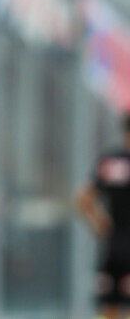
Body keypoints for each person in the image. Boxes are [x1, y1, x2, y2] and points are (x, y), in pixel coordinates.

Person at [77, 114, 130, 319]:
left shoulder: (109, 162)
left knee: (109, 306)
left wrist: (98, 222)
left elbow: (83, 198)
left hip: (114, 243)